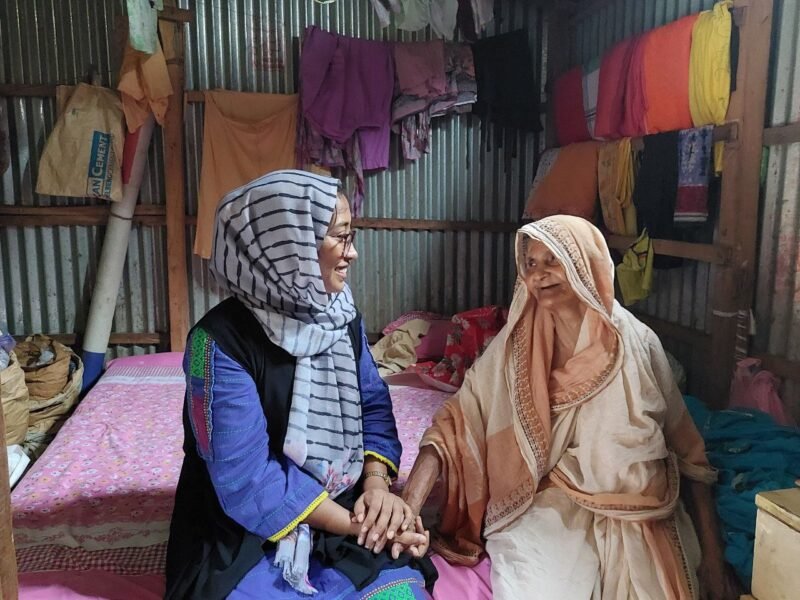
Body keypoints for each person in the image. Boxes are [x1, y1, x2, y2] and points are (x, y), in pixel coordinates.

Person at [401, 215, 738, 599]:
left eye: (553, 260)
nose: (539, 274)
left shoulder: (636, 343)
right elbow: (458, 418)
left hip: (636, 511)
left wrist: (713, 558)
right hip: (552, 498)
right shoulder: (517, 345)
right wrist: (408, 507)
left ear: (586, 263)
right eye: (530, 263)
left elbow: (689, 453)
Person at [165, 170, 435, 599]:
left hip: (345, 500)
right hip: (246, 525)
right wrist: (364, 526)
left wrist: (377, 489)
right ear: (288, 246)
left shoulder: (341, 317)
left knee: (399, 593)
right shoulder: (215, 344)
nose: (352, 253)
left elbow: (373, 407)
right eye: (341, 238)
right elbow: (246, 479)